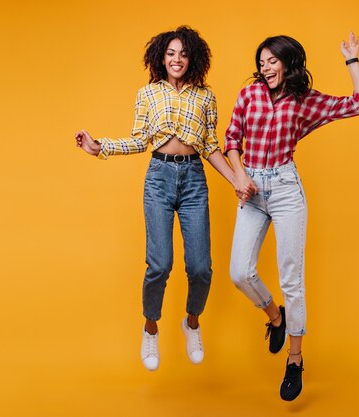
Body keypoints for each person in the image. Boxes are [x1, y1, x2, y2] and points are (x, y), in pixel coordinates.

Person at [75, 26, 254, 372]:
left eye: (183, 54)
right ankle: (151, 328)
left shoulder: (205, 96)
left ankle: (192, 323)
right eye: (171, 53)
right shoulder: (147, 95)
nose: (177, 59)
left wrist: (237, 180)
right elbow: (139, 140)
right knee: (159, 265)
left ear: (193, 59)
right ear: (161, 57)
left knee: (201, 268)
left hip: (193, 181)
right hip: (158, 178)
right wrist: (101, 148)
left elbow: (210, 146)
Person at [224, 32, 359, 400]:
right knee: (240, 271)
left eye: (272, 61)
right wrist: (240, 175)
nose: (266, 68)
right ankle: (276, 318)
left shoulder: (304, 101)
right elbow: (231, 139)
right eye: (261, 63)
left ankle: (294, 360)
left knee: (292, 278)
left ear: (288, 63)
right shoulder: (249, 95)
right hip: (252, 189)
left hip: (287, 188)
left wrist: (351, 60)